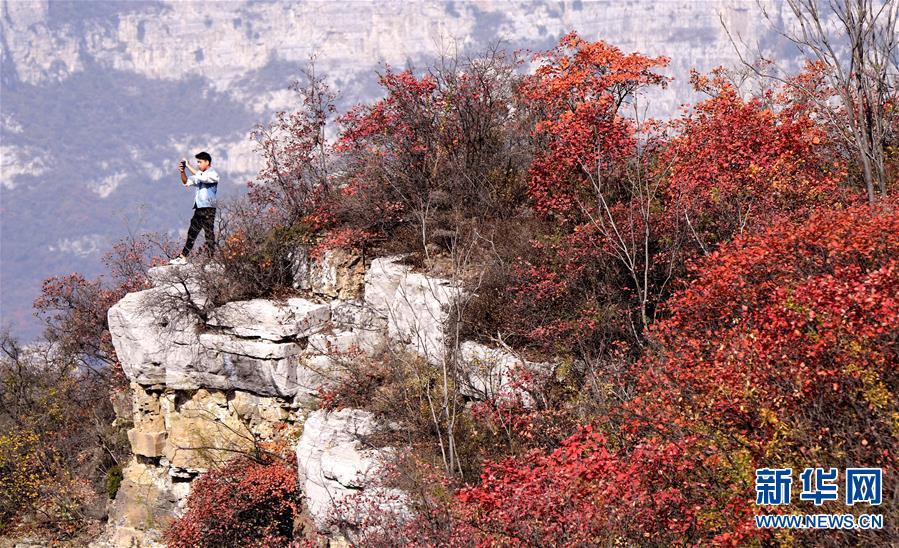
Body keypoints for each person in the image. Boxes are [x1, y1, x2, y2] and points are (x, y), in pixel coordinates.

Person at [169, 151, 219, 265]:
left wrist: (188, 165)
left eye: (200, 162)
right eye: (197, 162)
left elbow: (203, 178)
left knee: (209, 233)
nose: (198, 164)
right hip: (199, 208)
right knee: (192, 232)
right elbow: (186, 182)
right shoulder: (199, 175)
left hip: (209, 208)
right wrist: (182, 172)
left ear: (207, 162)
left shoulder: (213, 174)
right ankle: (183, 256)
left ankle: (211, 258)